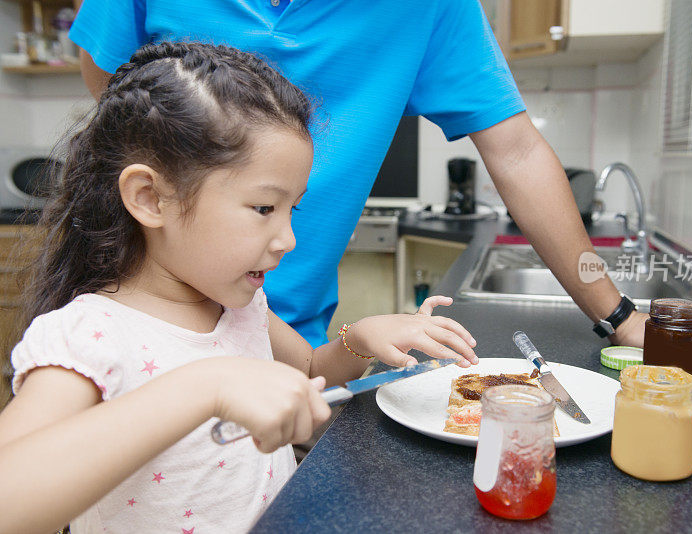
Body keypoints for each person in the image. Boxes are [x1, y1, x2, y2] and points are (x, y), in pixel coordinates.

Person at [0, 42, 479, 534]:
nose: (288, 240)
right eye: (263, 208)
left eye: (292, 209)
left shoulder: (240, 307)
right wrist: (205, 386)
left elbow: (312, 371)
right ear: (149, 199)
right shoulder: (89, 335)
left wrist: (357, 341)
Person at [68, 0, 692, 353]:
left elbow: (518, 151)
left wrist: (617, 313)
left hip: (286, 340)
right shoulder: (95, 340)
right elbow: (125, 109)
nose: (286, 236)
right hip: (148, 326)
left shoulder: (427, 6)